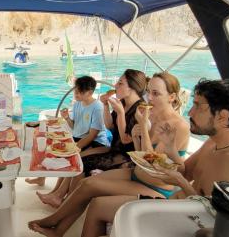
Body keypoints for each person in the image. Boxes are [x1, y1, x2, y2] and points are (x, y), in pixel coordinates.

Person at [81, 79, 229, 237]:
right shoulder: (214, 142)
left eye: (197, 106)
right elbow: (184, 172)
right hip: (177, 206)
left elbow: (217, 222)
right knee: (98, 206)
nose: (189, 112)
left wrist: (180, 181)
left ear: (223, 117)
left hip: (194, 224)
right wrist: (171, 150)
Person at [28, 72, 190, 237]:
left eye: (156, 94)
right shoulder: (152, 115)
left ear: (172, 97)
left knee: (93, 194)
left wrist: (142, 127)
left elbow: (151, 163)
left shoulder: (179, 126)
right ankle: (58, 229)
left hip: (155, 185)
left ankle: (53, 221)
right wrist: (136, 135)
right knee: (87, 184)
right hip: (136, 173)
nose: (149, 98)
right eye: (149, 92)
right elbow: (140, 152)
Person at [35, 70, 147, 208]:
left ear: (132, 88)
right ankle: (57, 194)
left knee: (81, 162)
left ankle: (66, 202)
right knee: (77, 157)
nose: (115, 85)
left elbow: (125, 140)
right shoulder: (123, 103)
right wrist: (106, 105)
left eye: (120, 83)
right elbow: (110, 125)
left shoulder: (140, 109)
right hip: (113, 149)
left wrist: (121, 113)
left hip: (127, 157)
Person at [33, 76, 110, 206]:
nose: (76, 94)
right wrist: (67, 118)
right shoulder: (77, 104)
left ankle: (58, 196)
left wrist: (74, 148)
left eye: (80, 92)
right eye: (75, 91)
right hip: (79, 138)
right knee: (54, 146)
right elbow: (74, 126)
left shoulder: (97, 107)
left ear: (90, 92)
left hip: (96, 142)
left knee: (70, 156)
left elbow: (92, 135)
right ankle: (55, 191)